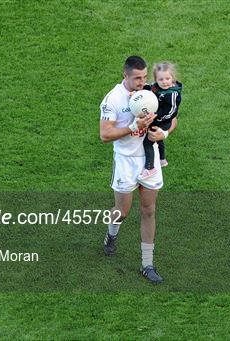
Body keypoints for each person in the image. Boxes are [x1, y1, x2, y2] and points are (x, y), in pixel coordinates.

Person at [99, 56, 177, 284]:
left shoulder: (152, 91)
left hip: (148, 158)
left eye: (144, 77)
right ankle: (111, 235)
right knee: (122, 211)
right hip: (125, 161)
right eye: (137, 78)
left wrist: (164, 134)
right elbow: (104, 135)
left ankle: (147, 264)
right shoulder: (112, 99)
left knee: (149, 210)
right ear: (125, 75)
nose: (142, 82)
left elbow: (173, 118)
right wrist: (134, 127)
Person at [138, 62, 183, 180]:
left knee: (148, 141)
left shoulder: (172, 94)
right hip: (157, 118)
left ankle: (150, 167)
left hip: (163, 121)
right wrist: (141, 91)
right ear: (156, 79)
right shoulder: (157, 86)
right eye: (161, 79)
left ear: (172, 78)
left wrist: (156, 117)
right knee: (159, 140)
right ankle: (162, 159)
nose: (165, 82)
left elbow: (170, 112)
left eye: (168, 78)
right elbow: (150, 88)